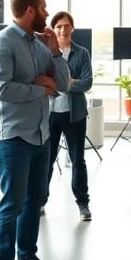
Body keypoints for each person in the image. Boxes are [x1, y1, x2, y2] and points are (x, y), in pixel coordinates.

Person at [0, 0, 71, 260]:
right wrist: (41, 90)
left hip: (41, 134)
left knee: (36, 199)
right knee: (13, 204)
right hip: (13, 137)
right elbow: (2, 89)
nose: (48, 13)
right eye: (44, 8)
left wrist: (56, 54)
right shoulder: (2, 44)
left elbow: (62, 84)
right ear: (31, 10)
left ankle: (27, 258)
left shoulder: (41, 44)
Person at [47, 11, 95, 221]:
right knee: (46, 160)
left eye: (66, 25)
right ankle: (39, 201)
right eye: (58, 26)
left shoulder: (81, 53)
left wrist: (66, 83)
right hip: (49, 113)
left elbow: (87, 82)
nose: (63, 30)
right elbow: (40, 79)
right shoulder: (44, 51)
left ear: (72, 28)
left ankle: (82, 203)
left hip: (74, 114)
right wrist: (70, 82)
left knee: (78, 160)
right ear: (53, 29)